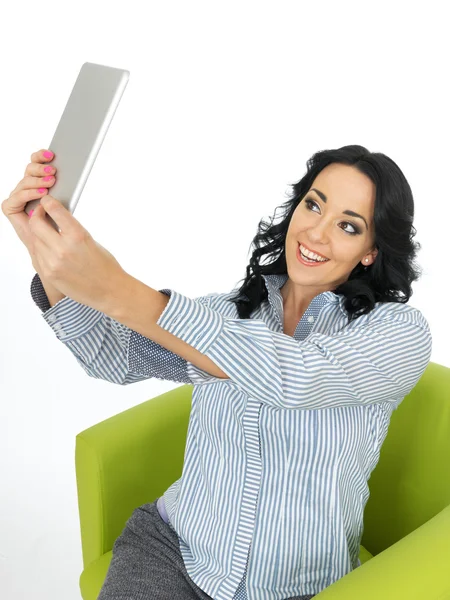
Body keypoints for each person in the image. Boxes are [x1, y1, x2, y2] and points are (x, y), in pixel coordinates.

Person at [2, 144, 432, 599]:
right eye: (313, 204)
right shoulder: (230, 313)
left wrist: (117, 288)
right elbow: (114, 356)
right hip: (173, 550)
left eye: (348, 226)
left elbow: (295, 375)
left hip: (297, 585)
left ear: (371, 250)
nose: (317, 233)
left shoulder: (397, 333)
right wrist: (42, 248)